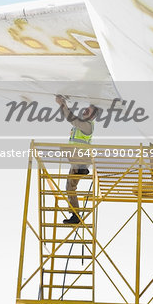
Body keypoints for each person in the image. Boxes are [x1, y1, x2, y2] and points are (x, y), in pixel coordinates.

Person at [55, 95, 98, 224]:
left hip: (80, 161)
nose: (85, 111)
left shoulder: (87, 126)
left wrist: (62, 104)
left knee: (70, 188)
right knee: (69, 188)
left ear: (93, 116)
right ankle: (75, 215)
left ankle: (75, 215)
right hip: (76, 161)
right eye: (86, 109)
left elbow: (71, 119)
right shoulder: (81, 125)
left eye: (88, 111)